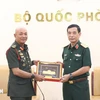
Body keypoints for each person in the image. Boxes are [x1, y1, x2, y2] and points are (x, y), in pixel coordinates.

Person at [6, 26, 45, 100]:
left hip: (27, 88)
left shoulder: (24, 48)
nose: (23, 36)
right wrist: (34, 76)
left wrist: (33, 62)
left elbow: (22, 64)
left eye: (25, 34)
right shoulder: (12, 50)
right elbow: (16, 71)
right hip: (18, 91)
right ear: (15, 35)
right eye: (20, 34)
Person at [60, 24, 92, 100]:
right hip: (67, 86)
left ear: (79, 34)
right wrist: (61, 65)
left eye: (74, 33)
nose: (71, 35)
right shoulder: (65, 49)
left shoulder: (84, 49)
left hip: (80, 85)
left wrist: (70, 75)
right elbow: (69, 65)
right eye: (69, 33)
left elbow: (86, 67)